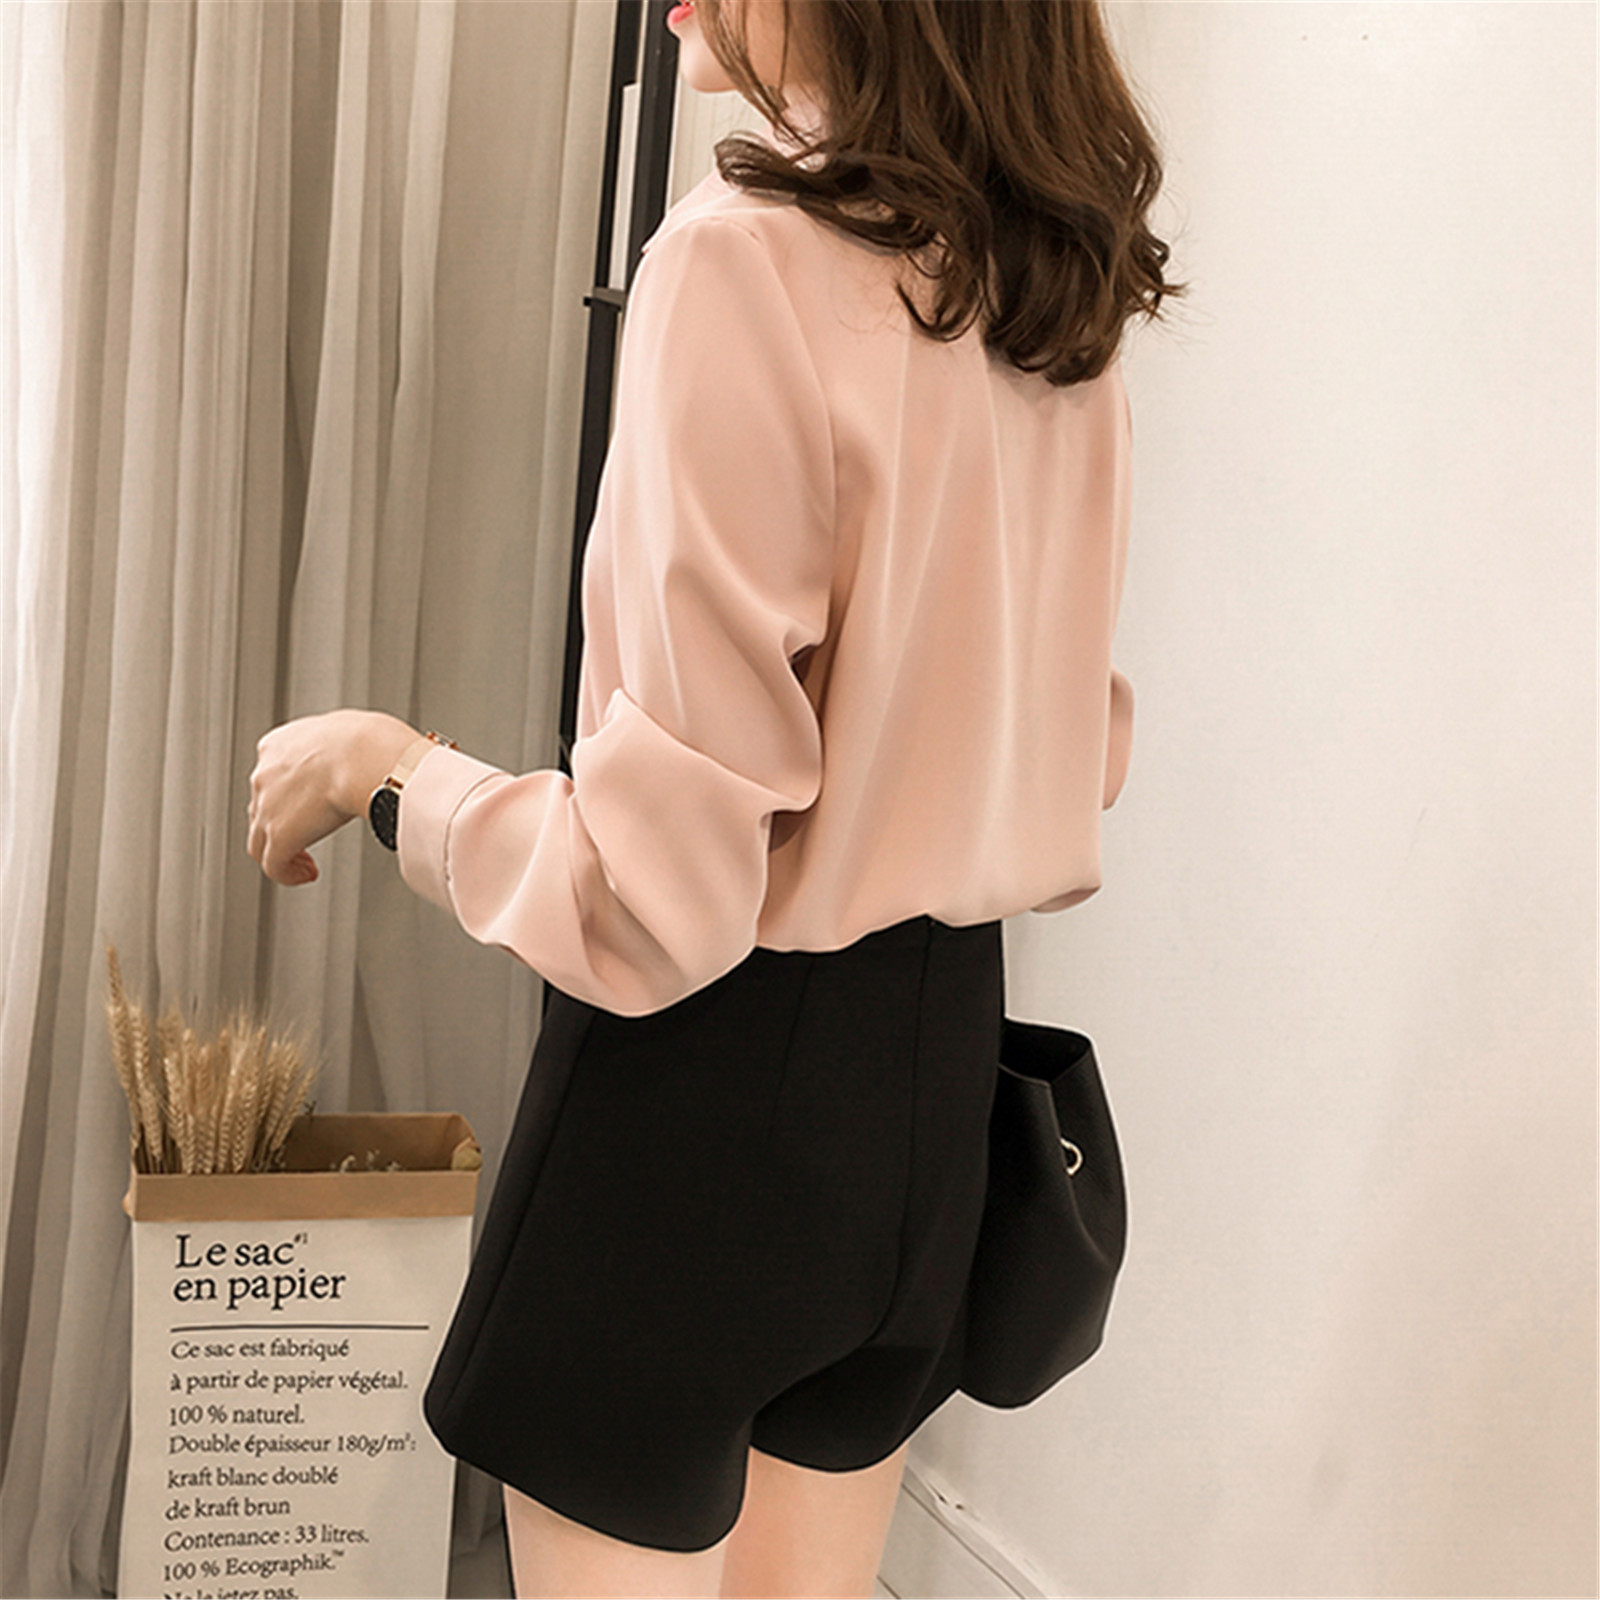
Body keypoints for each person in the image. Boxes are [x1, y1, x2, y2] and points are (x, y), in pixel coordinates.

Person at [247, 1, 1179, 1594]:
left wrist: (386, 770)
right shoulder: (1048, 292)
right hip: (938, 1091)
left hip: (706, 1102)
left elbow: (651, 899)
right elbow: (1065, 755)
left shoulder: (744, 261)